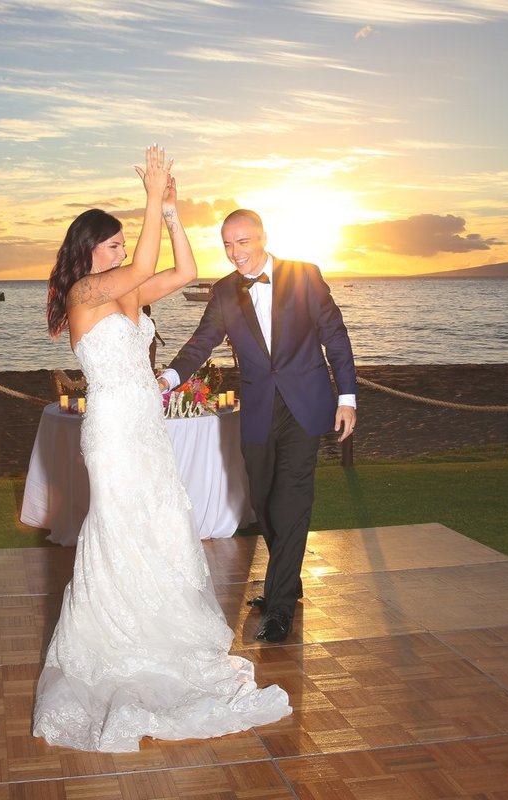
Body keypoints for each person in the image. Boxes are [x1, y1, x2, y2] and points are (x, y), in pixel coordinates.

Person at [32, 146, 291, 753]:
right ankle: (117, 645)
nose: (124, 253)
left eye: (124, 245)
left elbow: (182, 271)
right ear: (90, 251)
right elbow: (147, 263)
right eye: (115, 245)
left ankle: (159, 635)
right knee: (121, 529)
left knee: (159, 525)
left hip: (147, 426)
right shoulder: (84, 293)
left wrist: (172, 212)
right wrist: (150, 197)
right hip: (116, 431)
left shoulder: (129, 291)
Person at [160, 209, 357, 644]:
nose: (235, 253)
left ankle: (280, 607)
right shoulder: (227, 290)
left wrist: (347, 397)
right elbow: (201, 342)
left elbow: (335, 336)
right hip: (259, 412)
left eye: (243, 242)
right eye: (228, 245)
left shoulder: (305, 275)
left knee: (291, 501)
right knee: (263, 501)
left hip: (305, 407)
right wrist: (168, 379)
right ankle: (288, 579)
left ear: (263, 237)